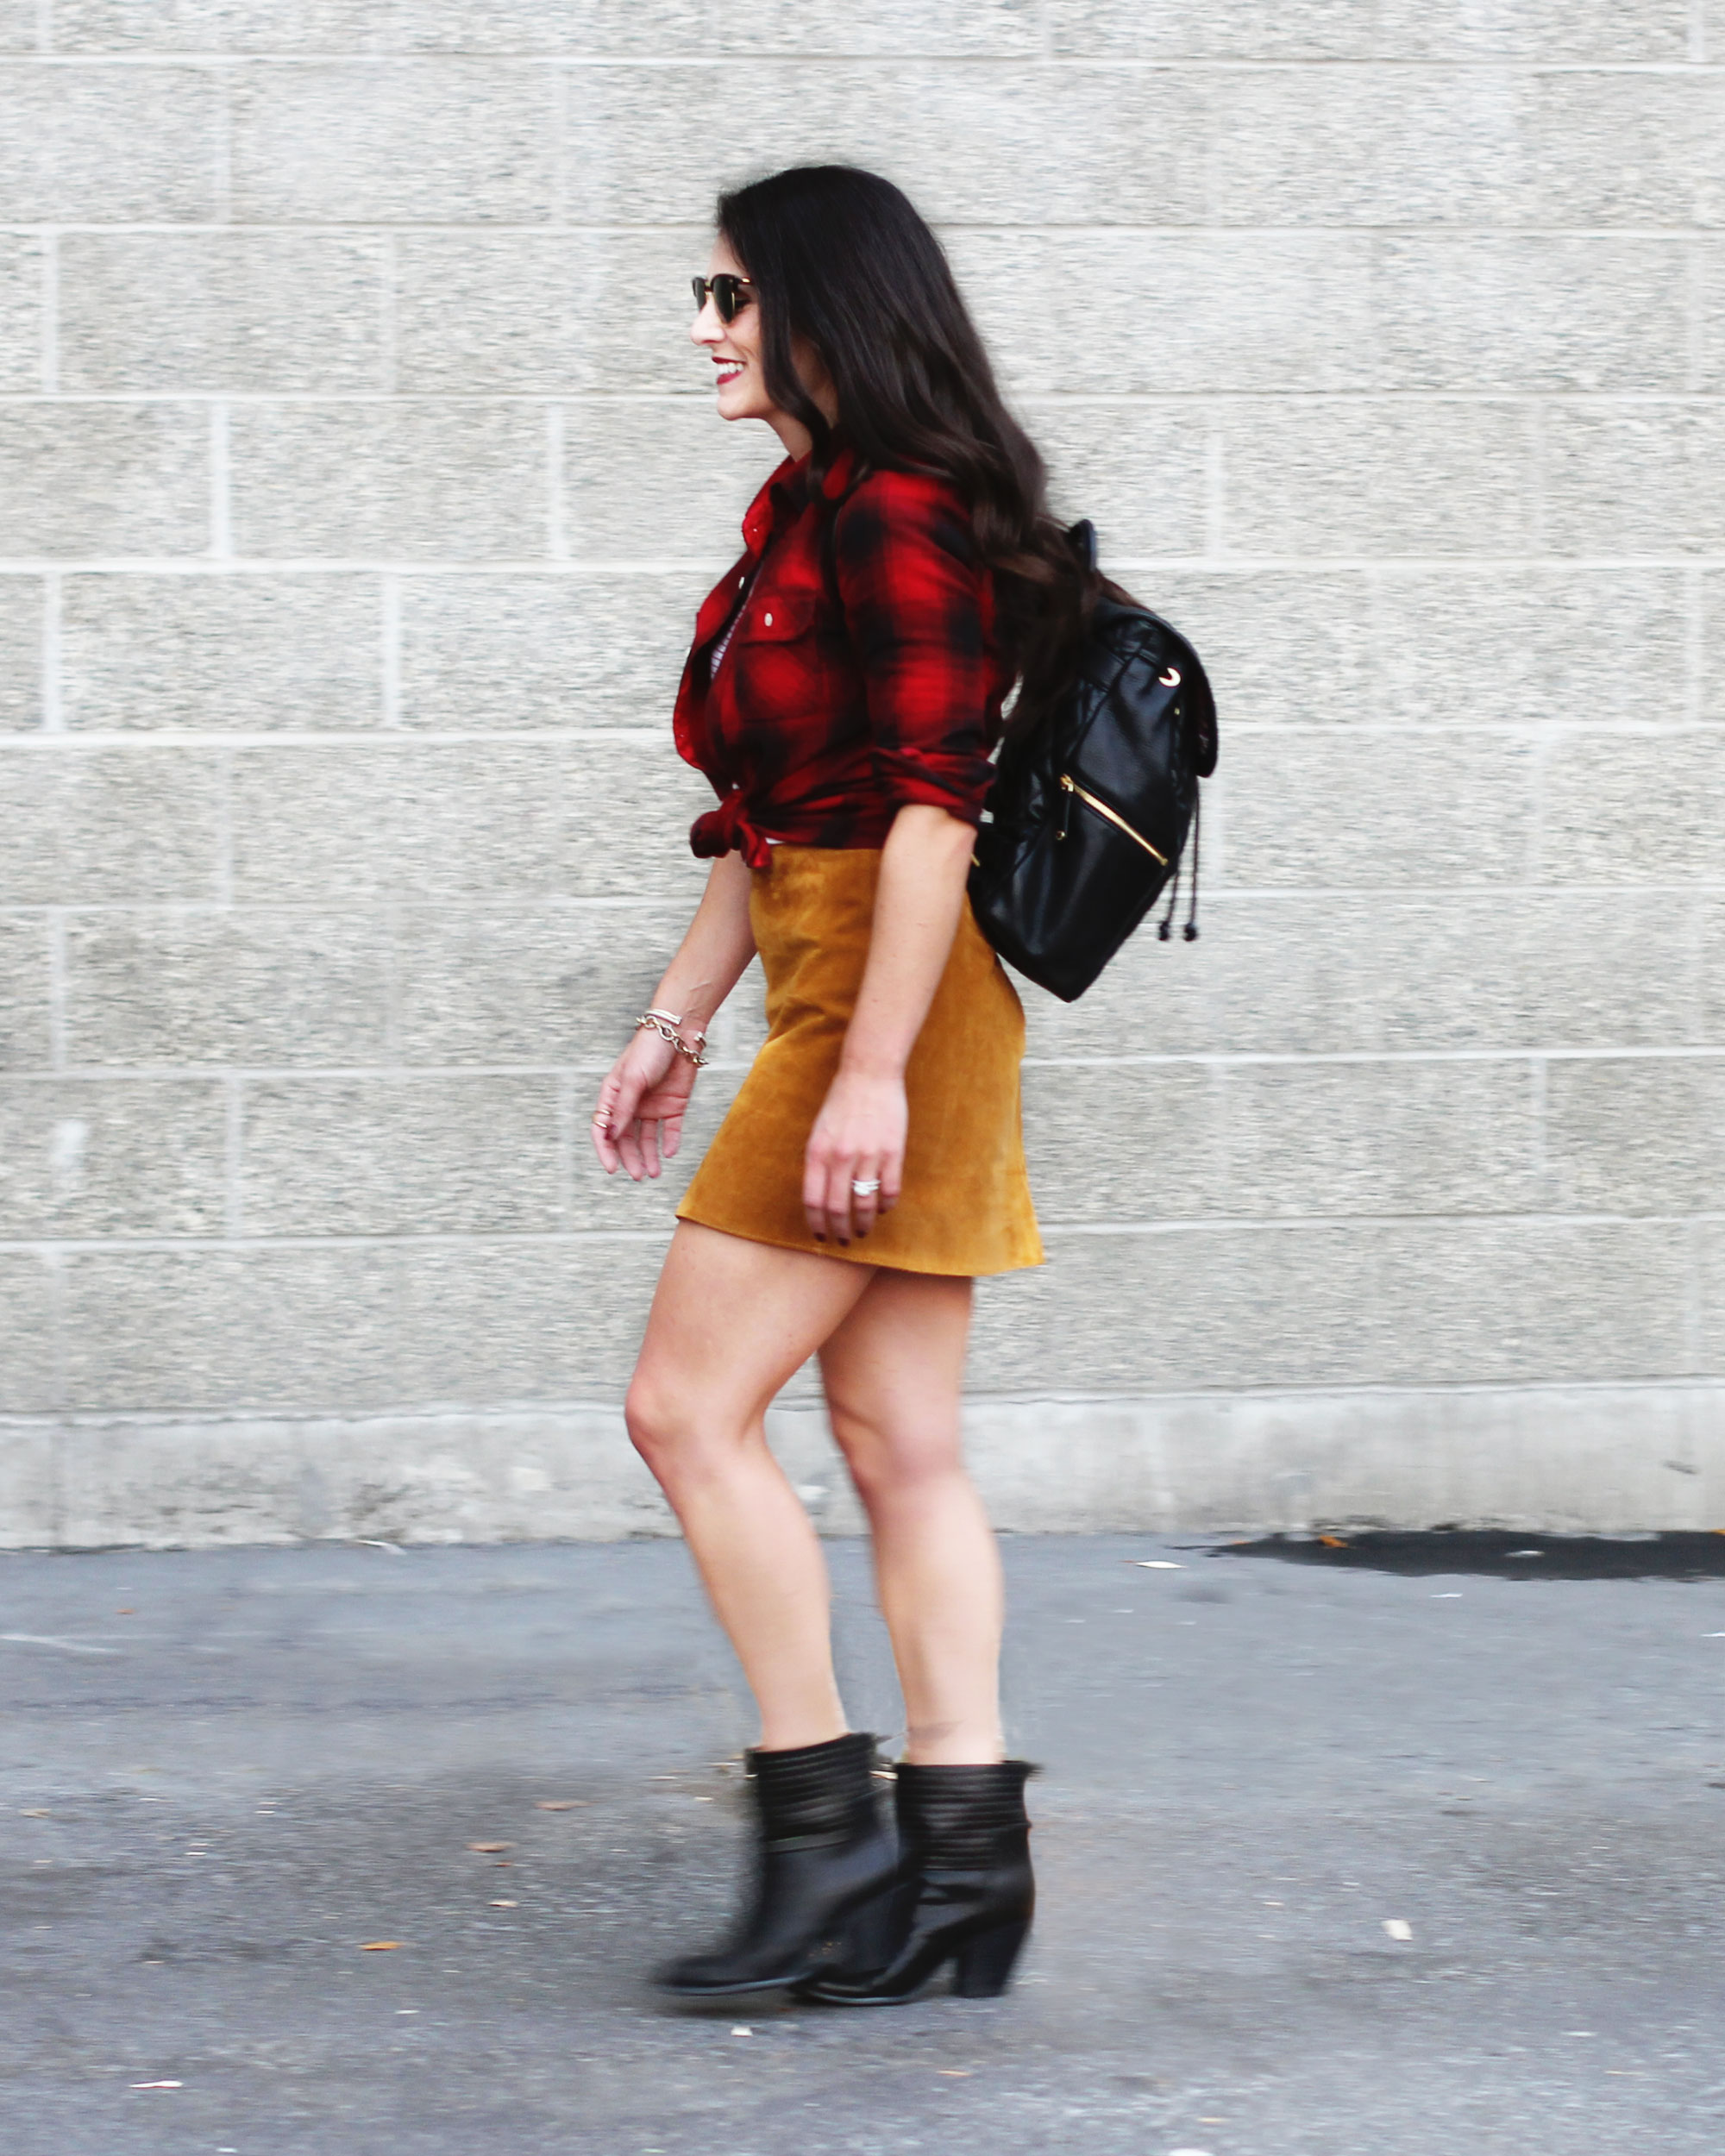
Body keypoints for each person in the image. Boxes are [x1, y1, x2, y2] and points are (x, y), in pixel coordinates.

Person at [589, 165, 1095, 2006]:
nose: (707, 327)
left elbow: (930, 808)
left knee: (681, 1407)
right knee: (894, 1440)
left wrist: (866, 1068)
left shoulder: (895, 513)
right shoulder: (794, 512)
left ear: (822, 305)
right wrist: (671, 1021)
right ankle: (964, 1866)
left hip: (895, 998)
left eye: (732, 294)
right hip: (833, 977)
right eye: (700, 296)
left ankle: (828, 1841)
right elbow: (761, 822)